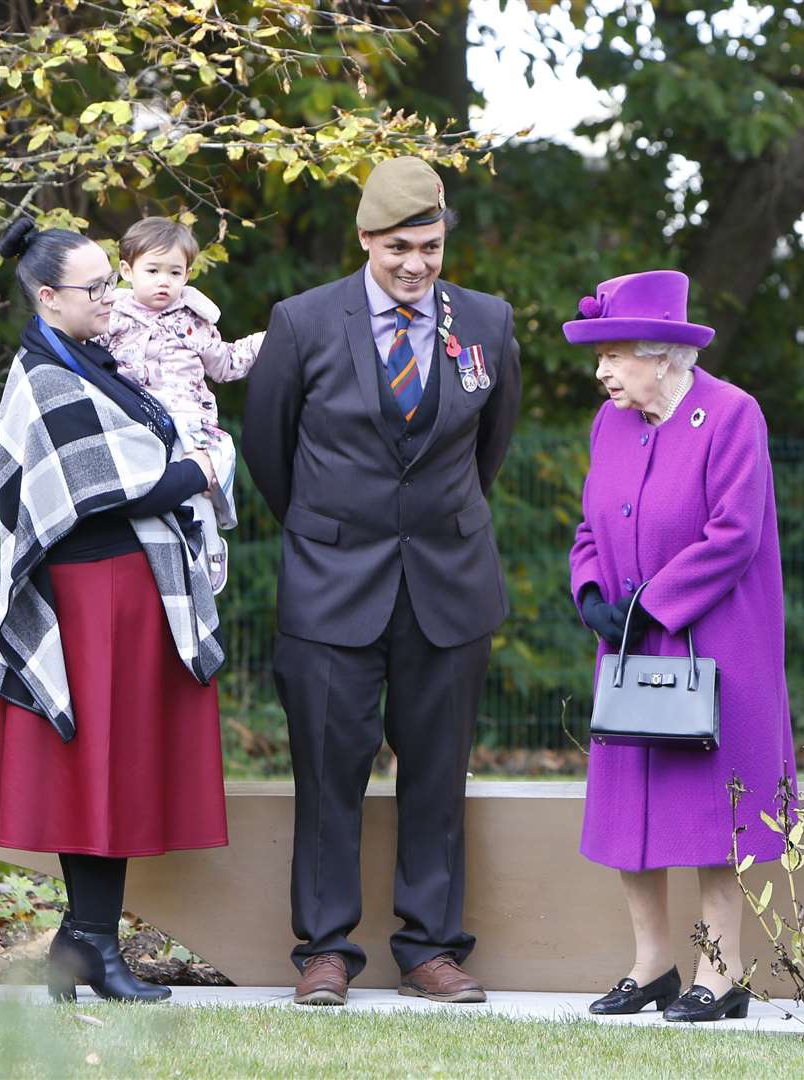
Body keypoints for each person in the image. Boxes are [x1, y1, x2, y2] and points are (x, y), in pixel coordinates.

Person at [241, 157, 522, 1007]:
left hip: (448, 582)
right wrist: (334, 530)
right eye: (399, 246)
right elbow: (268, 449)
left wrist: (434, 523)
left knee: (438, 775)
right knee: (328, 772)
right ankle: (324, 950)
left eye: (430, 246)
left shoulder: (485, 321)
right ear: (366, 240)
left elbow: (491, 447)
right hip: (331, 585)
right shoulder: (301, 322)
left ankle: (431, 949)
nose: (416, 263)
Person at [0, 217, 228, 1003]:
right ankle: (91, 946)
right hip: (85, 599)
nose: (113, 299)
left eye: (111, 285)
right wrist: (202, 468)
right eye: (98, 289)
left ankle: (83, 944)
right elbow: (115, 487)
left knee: (112, 770)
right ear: (48, 297)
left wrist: (189, 464)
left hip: (127, 593)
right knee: (93, 771)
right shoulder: (46, 378)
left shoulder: (94, 359)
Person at [565, 270, 796, 1023]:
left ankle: (721, 974)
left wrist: (650, 602)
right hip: (633, 650)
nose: (601, 370)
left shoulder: (732, 415)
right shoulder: (611, 424)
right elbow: (590, 526)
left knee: (710, 810)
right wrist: (594, 593)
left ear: (663, 356)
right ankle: (652, 966)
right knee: (630, 806)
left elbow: (736, 534)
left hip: (713, 647)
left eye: (615, 354)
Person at [96, 216, 266, 594]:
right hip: (135, 421)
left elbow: (224, 364)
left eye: (174, 272)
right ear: (127, 270)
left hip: (189, 420)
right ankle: (144, 561)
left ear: (187, 275)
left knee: (204, 472)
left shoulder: (195, 321)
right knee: (146, 494)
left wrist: (270, 339)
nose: (163, 281)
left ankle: (207, 545)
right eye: (153, 270)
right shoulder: (111, 319)